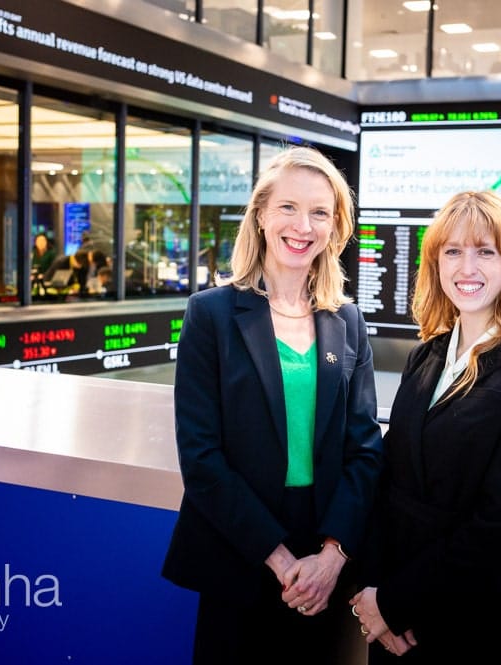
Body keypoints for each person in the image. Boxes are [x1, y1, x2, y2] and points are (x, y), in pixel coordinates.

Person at [161, 145, 383, 665]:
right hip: (240, 548)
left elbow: (365, 450)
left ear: (335, 228)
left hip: (325, 554)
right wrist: (281, 561)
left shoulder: (346, 321)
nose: (302, 225)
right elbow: (200, 456)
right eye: (288, 207)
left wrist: (331, 558)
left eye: (319, 212)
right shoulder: (210, 315)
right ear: (261, 214)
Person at [350, 190, 501, 664]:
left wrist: (394, 604)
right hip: (392, 614)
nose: (466, 268)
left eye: (484, 251)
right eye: (452, 251)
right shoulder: (426, 355)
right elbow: (387, 481)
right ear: (436, 264)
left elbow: (500, 525)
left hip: (469, 620)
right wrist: (371, 593)